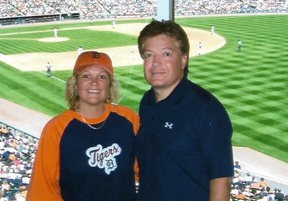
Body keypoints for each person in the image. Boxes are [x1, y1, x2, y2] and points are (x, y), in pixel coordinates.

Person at [136, 20, 234, 201]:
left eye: (166, 54)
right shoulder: (147, 102)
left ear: (183, 59)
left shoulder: (206, 108)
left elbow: (221, 180)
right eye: (149, 55)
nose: (156, 63)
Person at [27, 51, 139, 201]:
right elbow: (42, 191)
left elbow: (147, 169)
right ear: (75, 84)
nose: (94, 82)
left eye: (102, 76)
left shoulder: (128, 119)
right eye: (86, 76)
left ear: (110, 84)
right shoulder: (56, 129)